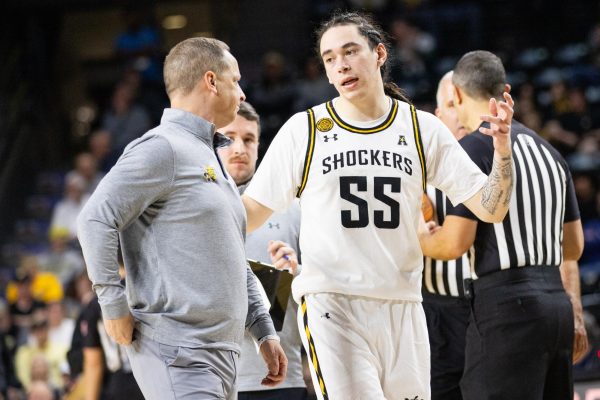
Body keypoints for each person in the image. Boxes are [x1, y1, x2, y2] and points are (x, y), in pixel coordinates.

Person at [241, 11, 514, 400]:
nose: (341, 65)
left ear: (379, 54)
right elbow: (250, 211)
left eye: (350, 51)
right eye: (330, 58)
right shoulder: (305, 130)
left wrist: (502, 152)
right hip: (333, 304)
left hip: (403, 306)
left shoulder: (422, 128)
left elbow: (492, 209)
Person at [77, 37, 287, 400]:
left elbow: (232, 257)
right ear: (210, 81)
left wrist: (263, 329)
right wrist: (113, 305)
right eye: (234, 81)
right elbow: (95, 218)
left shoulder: (208, 157)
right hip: (178, 351)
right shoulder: (163, 147)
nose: (242, 94)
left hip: (218, 355)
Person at [419, 50, 588, 400]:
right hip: (555, 305)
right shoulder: (549, 152)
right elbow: (572, 246)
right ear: (503, 88)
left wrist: (422, 236)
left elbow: (454, 244)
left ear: (459, 95)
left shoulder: (471, 149)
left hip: (507, 308)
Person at [218, 101, 307, 400]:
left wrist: (297, 273)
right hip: (211, 382)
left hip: (285, 379)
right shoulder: (188, 211)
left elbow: (326, 281)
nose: (239, 148)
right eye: (228, 138)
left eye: (249, 139)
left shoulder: (292, 209)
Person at [421, 71, 470, 400]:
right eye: (453, 104)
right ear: (439, 115)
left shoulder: (501, 168)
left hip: (491, 305)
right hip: (438, 309)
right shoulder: (418, 171)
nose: (462, 113)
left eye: (466, 102)